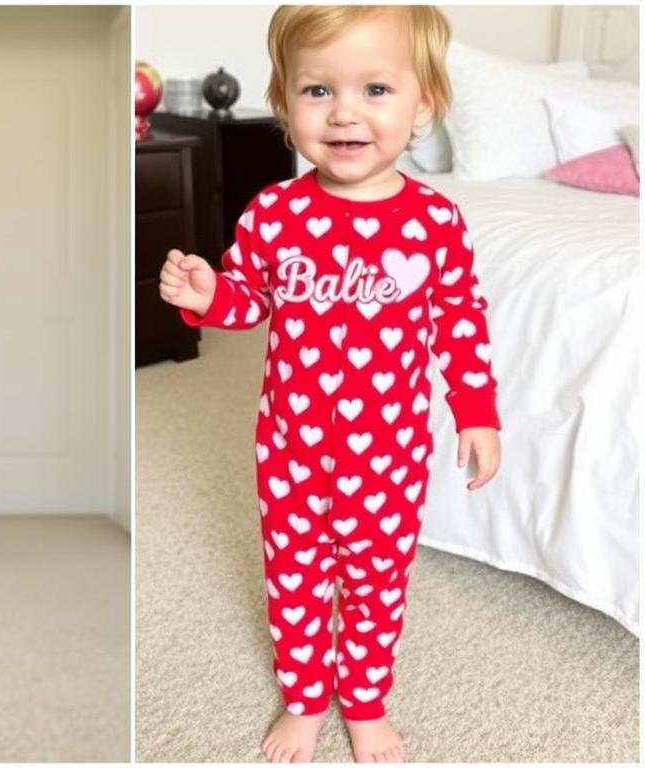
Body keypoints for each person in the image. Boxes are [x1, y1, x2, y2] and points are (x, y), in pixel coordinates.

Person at [158, 5, 502, 763]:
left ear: (426, 103)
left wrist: (476, 412)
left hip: (390, 457)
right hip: (290, 451)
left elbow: (460, 321)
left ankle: (367, 700)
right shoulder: (275, 214)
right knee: (296, 578)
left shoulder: (435, 223)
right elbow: (251, 299)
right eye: (318, 92)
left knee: (377, 583)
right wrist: (210, 296)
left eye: (376, 89)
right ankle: (307, 697)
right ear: (284, 103)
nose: (345, 112)